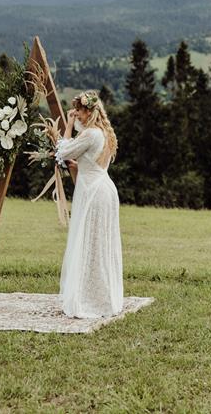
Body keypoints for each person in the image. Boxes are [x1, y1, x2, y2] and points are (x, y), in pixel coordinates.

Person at [55, 90, 123, 318]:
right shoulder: (102, 133)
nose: (78, 115)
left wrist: (67, 124)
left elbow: (63, 150)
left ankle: (91, 299)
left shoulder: (92, 134)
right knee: (99, 244)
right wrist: (77, 166)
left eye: (80, 110)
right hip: (102, 190)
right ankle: (101, 296)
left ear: (89, 111)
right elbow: (85, 157)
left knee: (90, 243)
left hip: (94, 194)